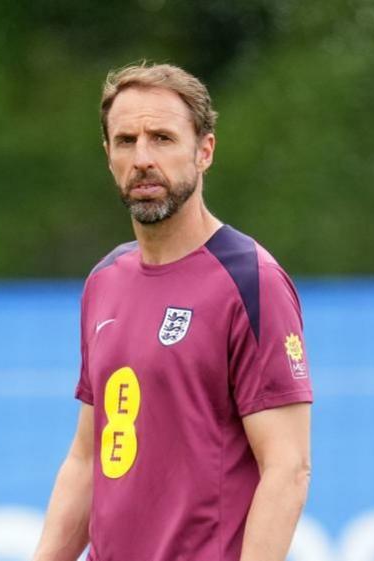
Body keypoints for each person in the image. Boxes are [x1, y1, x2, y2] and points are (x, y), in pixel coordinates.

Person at [32, 62, 313, 561]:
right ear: (107, 155)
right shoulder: (104, 280)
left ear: (204, 150)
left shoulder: (251, 280)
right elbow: (87, 458)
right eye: (125, 141)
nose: (142, 158)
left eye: (161, 138)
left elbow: (287, 468)